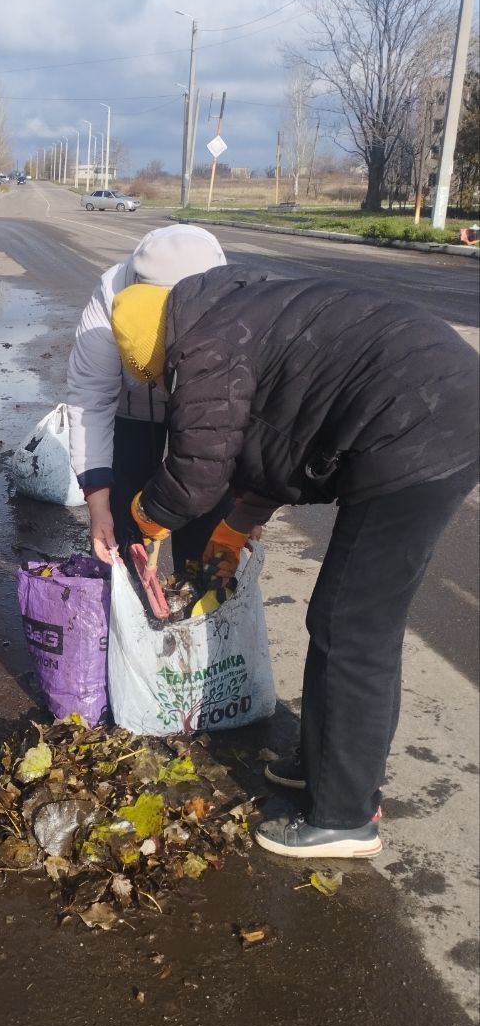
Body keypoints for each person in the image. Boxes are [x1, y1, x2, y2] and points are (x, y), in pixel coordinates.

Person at [80, 257, 478, 860]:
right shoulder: (233, 307)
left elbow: (196, 472)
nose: (166, 386)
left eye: (160, 377)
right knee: (345, 621)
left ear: (158, 352)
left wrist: (142, 517)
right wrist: (240, 524)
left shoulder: (204, 344)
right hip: (427, 406)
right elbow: (281, 427)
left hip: (417, 428)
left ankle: (345, 816)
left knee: (353, 628)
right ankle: (326, 767)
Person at [67, 225, 231, 571]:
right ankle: (128, 582)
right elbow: (90, 399)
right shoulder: (112, 292)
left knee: (207, 508)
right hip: (134, 409)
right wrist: (98, 508)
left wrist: (246, 507)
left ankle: (196, 585)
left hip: (207, 410)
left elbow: (250, 410)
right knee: (125, 507)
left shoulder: (233, 296)